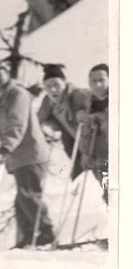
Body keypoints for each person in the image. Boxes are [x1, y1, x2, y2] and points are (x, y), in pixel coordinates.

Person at [0, 60, 54, 248]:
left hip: (31, 154)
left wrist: (7, 146)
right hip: (19, 158)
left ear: (8, 74)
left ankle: (47, 233)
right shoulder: (3, 101)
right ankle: (28, 238)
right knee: (21, 199)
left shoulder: (18, 94)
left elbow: (17, 123)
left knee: (29, 195)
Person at [37, 64, 91, 180]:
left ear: (64, 82)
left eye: (56, 84)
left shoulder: (79, 95)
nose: (53, 90)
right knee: (77, 179)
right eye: (48, 86)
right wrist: (48, 125)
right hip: (76, 147)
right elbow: (37, 120)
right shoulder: (48, 100)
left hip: (93, 143)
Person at [78, 64, 109, 204]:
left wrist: (104, 118)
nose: (97, 84)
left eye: (101, 80)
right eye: (93, 81)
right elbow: (86, 131)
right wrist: (85, 153)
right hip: (100, 159)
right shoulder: (89, 103)